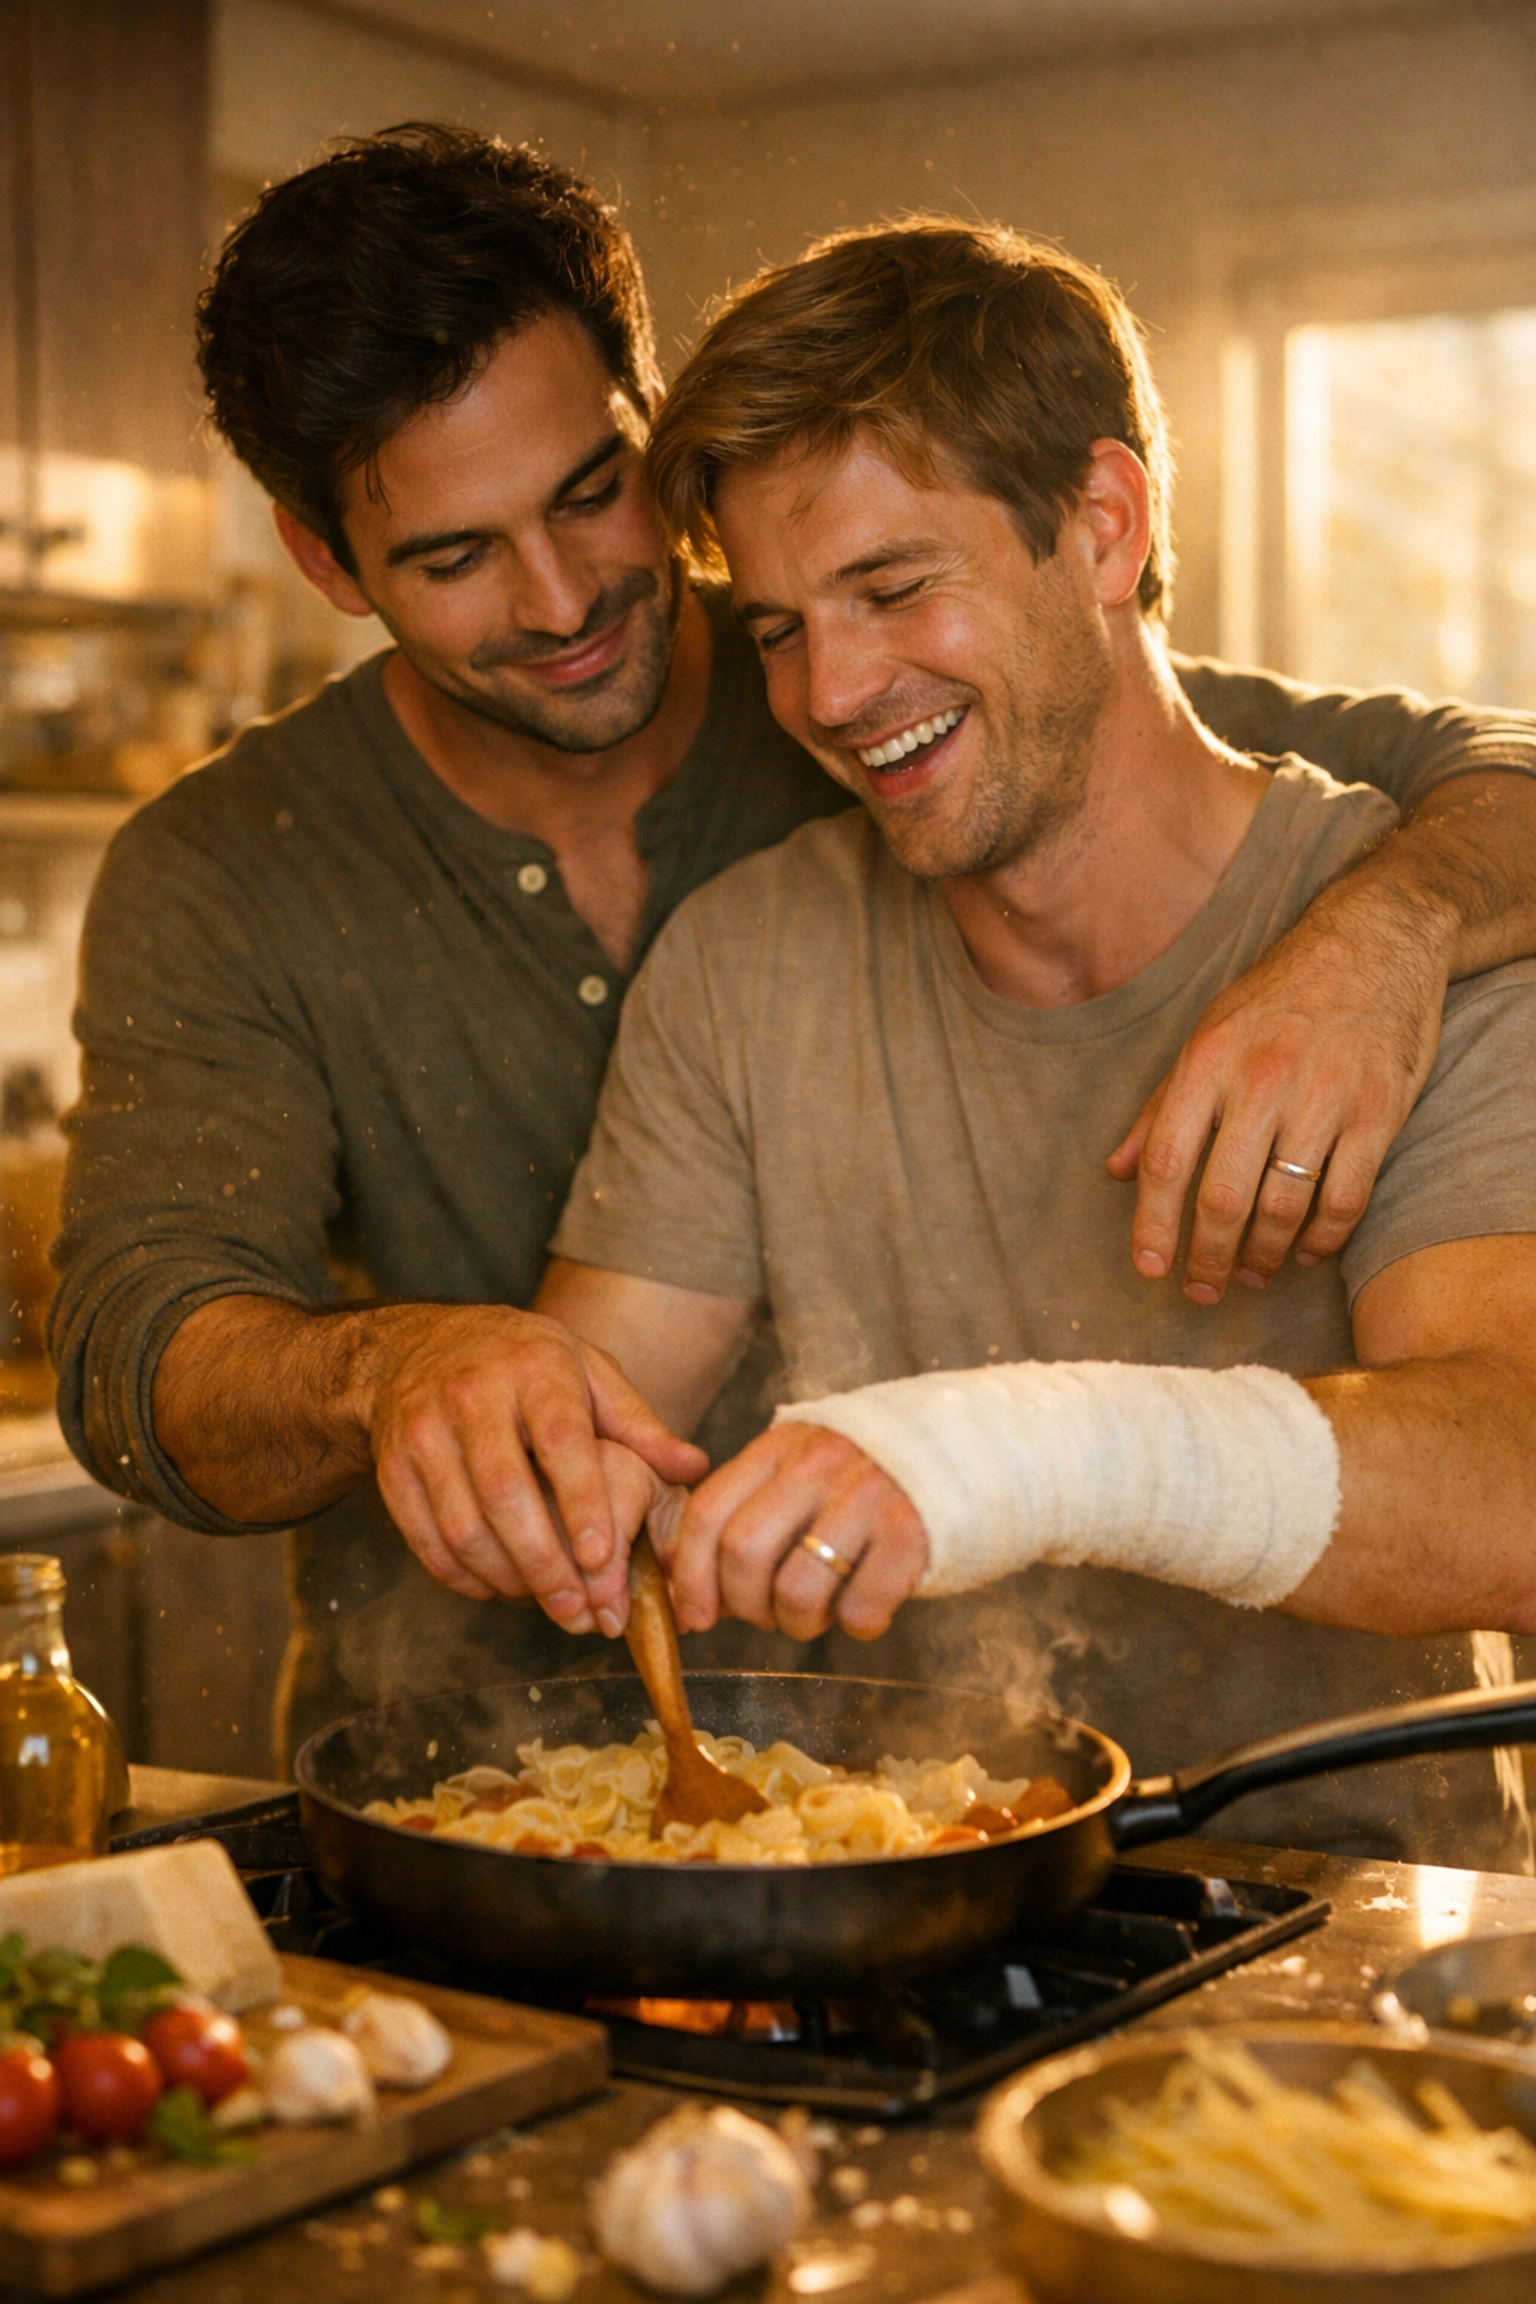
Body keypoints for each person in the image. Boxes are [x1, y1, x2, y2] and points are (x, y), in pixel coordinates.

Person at [47, 127, 1536, 1766]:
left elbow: (1245, 750)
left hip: (1316, 1892)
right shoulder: (689, 943)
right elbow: (153, 1340)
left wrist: (1394, 933)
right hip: (678, 1809)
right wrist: (417, 1384)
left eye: (590, 495)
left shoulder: (1375, 904)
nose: (831, 693)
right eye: (456, 556)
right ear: (326, 560)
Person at [538, 220, 1536, 1867]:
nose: (835, 691)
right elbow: (600, 1441)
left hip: (1336, 1919)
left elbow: (1513, 1492)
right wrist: (505, 1436)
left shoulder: (1411, 941)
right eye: (779, 627)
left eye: (893, 586)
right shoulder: (746, 957)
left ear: (1102, 526)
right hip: (883, 1888)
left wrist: (1012, 1457)